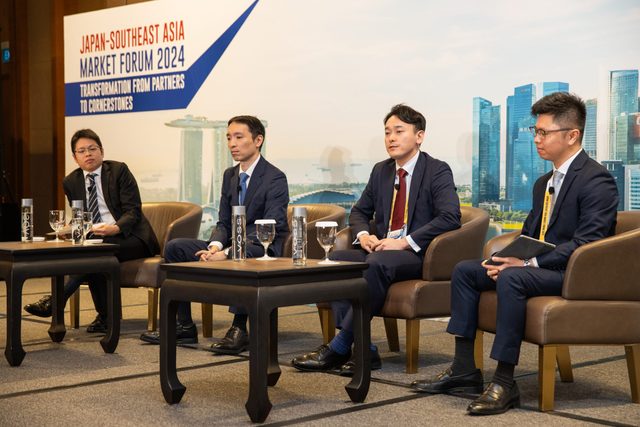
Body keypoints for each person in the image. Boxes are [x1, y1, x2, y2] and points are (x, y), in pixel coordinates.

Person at [410, 92, 619, 415]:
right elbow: (530, 235)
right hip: (539, 267)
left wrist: (525, 263)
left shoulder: (597, 180)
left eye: (543, 132)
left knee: (513, 278)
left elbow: (586, 243)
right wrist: (505, 258)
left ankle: (505, 382)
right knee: (467, 270)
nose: (536, 139)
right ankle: (464, 370)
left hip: (574, 274)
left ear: (572, 134)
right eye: (535, 131)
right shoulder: (543, 183)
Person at [292, 104, 461, 375]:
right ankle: (366, 349)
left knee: (376, 263)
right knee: (336, 260)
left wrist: (405, 241)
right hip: (380, 249)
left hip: (418, 254)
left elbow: (450, 217)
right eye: (387, 133)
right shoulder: (381, 171)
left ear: (419, 136)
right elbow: (359, 210)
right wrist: (364, 234)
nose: (391, 138)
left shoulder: (437, 170)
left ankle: (339, 345)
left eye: (399, 131)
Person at [140, 115, 289, 353]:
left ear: (258, 140)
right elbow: (223, 221)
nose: (232, 143)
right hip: (231, 244)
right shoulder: (230, 175)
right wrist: (216, 247)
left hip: (261, 246)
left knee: (242, 254)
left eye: (239, 137)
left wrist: (230, 251)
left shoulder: (274, 177)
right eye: (229, 138)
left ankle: (239, 328)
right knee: (175, 248)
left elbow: (270, 225)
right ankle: (184, 326)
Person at [24, 129, 160, 333]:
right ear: (75, 157)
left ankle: (56, 301)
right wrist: (70, 229)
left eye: (92, 149)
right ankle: (105, 317)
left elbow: (133, 211)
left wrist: (114, 228)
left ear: (101, 151)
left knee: (95, 252)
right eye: (82, 151)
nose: (88, 154)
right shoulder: (71, 182)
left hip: (132, 238)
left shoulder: (118, 171)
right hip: (98, 237)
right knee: (91, 253)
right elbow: (81, 216)